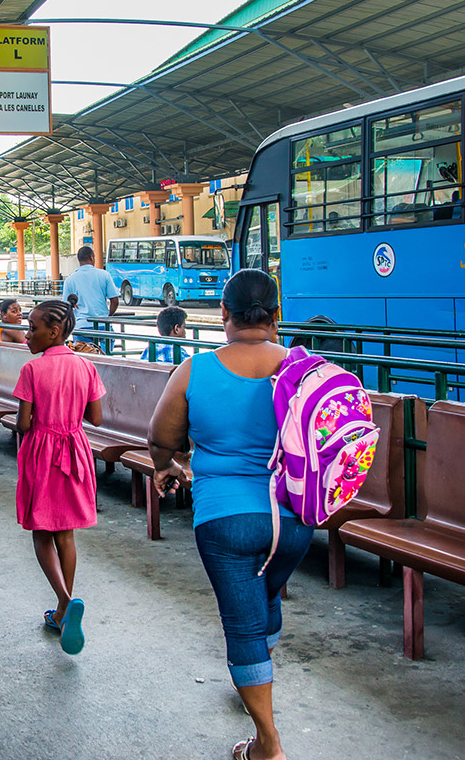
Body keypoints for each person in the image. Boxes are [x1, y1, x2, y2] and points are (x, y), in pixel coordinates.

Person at [147, 269, 309, 760]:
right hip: (294, 521)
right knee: (266, 595)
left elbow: (161, 438)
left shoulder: (194, 370)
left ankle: (268, 745)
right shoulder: (304, 369)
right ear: (276, 314)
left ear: (224, 313)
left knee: (243, 626)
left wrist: (166, 467)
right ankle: (258, 676)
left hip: (224, 521)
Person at [12, 299, 104, 656]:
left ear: (53, 332)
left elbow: (23, 424)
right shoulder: (86, 366)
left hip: (42, 451)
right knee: (65, 534)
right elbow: (96, 418)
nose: (27, 334)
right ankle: (64, 611)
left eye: (32, 328)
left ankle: (65, 602)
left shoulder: (32, 370)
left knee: (41, 532)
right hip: (75, 451)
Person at [62, 245, 118, 342]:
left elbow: (66, 306)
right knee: (106, 349)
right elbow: (115, 300)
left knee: (84, 352)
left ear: (79, 260)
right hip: (103, 325)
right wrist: (108, 316)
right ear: (91, 257)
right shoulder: (104, 275)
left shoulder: (70, 280)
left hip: (81, 326)